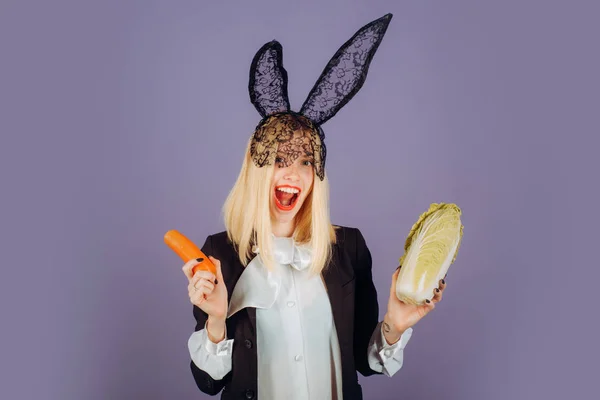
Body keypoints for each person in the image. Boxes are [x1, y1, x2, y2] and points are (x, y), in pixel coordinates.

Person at [180, 13, 446, 400]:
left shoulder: (349, 249)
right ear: (256, 168)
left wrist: (395, 325)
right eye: (280, 160)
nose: (293, 174)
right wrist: (217, 319)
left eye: (306, 162)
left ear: (318, 173)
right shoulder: (220, 253)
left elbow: (363, 361)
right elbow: (210, 382)